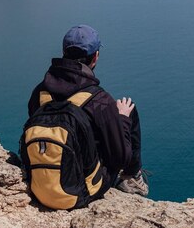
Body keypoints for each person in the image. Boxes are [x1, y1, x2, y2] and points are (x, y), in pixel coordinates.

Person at [26, 24, 148, 200]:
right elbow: (120, 158)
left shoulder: (40, 91)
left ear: (64, 52)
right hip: (81, 190)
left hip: (39, 184)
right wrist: (122, 118)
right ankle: (131, 177)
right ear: (96, 57)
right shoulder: (100, 100)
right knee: (129, 109)